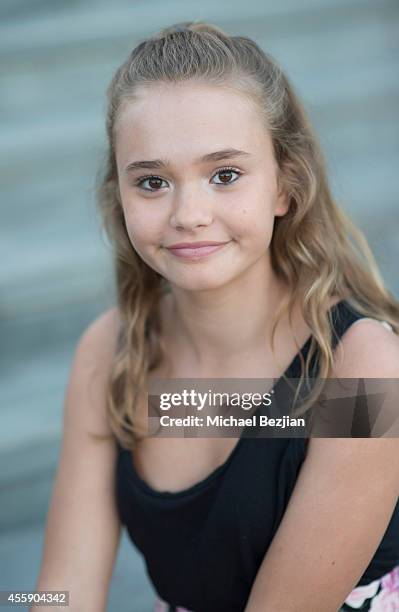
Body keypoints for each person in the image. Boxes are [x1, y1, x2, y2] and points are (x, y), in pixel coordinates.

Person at [33, 21, 399, 612]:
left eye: (224, 175)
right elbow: (59, 591)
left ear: (285, 186)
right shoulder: (110, 355)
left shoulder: (362, 370)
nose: (188, 214)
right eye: (152, 182)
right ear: (119, 195)